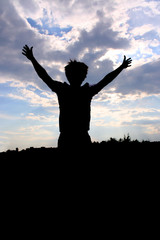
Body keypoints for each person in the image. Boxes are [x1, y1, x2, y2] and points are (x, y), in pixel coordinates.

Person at [22, 45, 132, 150]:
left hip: (72, 138)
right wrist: (121, 67)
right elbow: (105, 80)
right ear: (83, 76)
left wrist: (32, 59)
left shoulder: (66, 90)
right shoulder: (83, 91)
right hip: (74, 138)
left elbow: (44, 76)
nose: (78, 76)